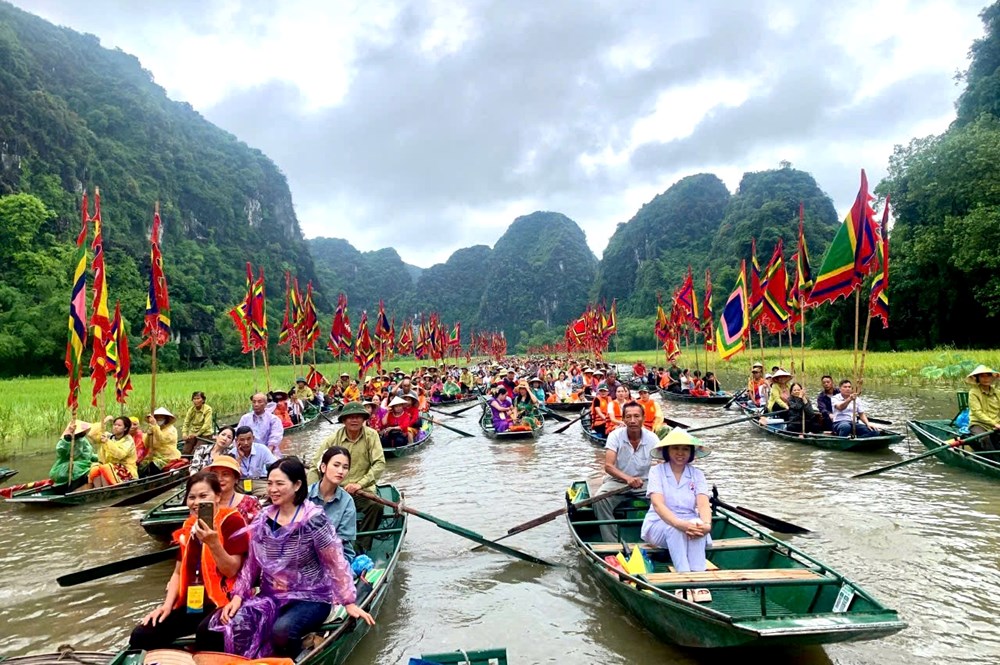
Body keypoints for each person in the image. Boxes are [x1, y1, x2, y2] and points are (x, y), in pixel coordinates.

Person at [208, 459, 373, 658]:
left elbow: (335, 562)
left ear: (297, 485)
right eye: (269, 483)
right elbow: (252, 564)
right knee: (230, 624)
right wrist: (238, 596)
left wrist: (348, 601)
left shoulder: (313, 520)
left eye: (279, 483)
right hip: (272, 596)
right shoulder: (263, 519)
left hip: (312, 597)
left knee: (282, 631)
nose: (273, 489)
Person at [128, 470, 249, 650]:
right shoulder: (188, 526)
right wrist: (166, 607)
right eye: (191, 497)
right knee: (142, 635)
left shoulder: (232, 521)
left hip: (223, 601)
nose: (196, 502)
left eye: (203, 496)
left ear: (217, 496)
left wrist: (213, 543)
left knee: (206, 632)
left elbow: (231, 570)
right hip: (193, 604)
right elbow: (177, 572)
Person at [641, 429, 713, 596]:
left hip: (688, 522)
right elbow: (658, 505)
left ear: (691, 453)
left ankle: (699, 579)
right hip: (659, 525)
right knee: (676, 528)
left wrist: (707, 525)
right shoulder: (657, 471)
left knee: (698, 525)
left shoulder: (697, 474)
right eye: (675, 448)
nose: (680, 453)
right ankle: (683, 580)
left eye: (685, 449)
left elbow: (703, 504)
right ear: (667, 451)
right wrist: (678, 523)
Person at [310, 402, 386, 552]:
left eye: (358, 417)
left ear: (364, 419)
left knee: (376, 506)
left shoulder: (371, 435)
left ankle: (360, 546)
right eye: (350, 417)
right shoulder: (333, 439)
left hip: (361, 491)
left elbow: (379, 464)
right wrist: (310, 493)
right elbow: (315, 466)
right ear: (343, 420)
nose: (354, 420)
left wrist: (360, 484)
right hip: (336, 490)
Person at [594, 402, 658, 543]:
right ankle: (612, 543)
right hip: (617, 481)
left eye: (636, 416)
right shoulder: (615, 436)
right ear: (623, 419)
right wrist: (628, 479)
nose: (633, 420)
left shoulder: (652, 438)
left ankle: (656, 539)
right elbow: (608, 466)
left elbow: (662, 464)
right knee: (599, 500)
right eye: (628, 417)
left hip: (644, 482)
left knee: (664, 501)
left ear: (643, 417)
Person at [308, 446, 357, 563]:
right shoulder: (305, 495)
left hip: (338, 555)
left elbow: (343, 541)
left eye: (345, 467)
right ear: (323, 467)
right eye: (336, 465)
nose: (340, 471)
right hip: (305, 552)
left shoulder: (347, 502)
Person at [204, 455, 261, 524]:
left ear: (236, 479)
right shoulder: (204, 502)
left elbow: (260, 531)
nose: (219, 479)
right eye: (215, 475)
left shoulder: (250, 503)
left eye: (225, 474)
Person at [88, 416, 138, 487]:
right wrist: (104, 421)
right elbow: (91, 434)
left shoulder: (128, 440)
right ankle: (99, 490)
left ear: (125, 428)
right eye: (115, 425)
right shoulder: (109, 436)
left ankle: (108, 491)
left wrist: (107, 442)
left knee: (106, 468)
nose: (116, 427)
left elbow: (120, 454)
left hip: (126, 469)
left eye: (119, 425)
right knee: (95, 468)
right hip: (108, 466)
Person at [50, 420, 98, 489]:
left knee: (97, 467)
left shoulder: (83, 440)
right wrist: (68, 439)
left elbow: (89, 455)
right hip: (67, 470)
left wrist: (103, 457)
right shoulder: (67, 441)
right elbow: (61, 451)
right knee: (77, 468)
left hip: (84, 467)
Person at [234, 425, 278, 498]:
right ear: (236, 441)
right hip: (240, 483)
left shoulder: (262, 449)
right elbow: (233, 475)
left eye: (249, 439)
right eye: (242, 440)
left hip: (259, 481)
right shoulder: (232, 453)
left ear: (253, 438)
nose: (246, 443)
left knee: (269, 495)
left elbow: (275, 466)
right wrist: (240, 457)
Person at [967, 365, 1000, 451]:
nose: (986, 379)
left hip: (996, 423)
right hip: (979, 424)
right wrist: (994, 423)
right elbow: (977, 412)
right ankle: (993, 459)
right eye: (982, 376)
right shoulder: (973, 392)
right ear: (977, 378)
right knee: (984, 438)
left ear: (992, 377)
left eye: (988, 375)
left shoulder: (997, 393)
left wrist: (997, 424)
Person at [142, 407, 181, 477]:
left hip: (168, 456)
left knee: (153, 466)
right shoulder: (153, 428)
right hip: (155, 455)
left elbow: (162, 439)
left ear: (166, 419)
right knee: (142, 466)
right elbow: (146, 444)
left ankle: (155, 482)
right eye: (157, 418)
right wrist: (148, 434)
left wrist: (155, 427)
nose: (159, 419)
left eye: (161, 417)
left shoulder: (171, 430)